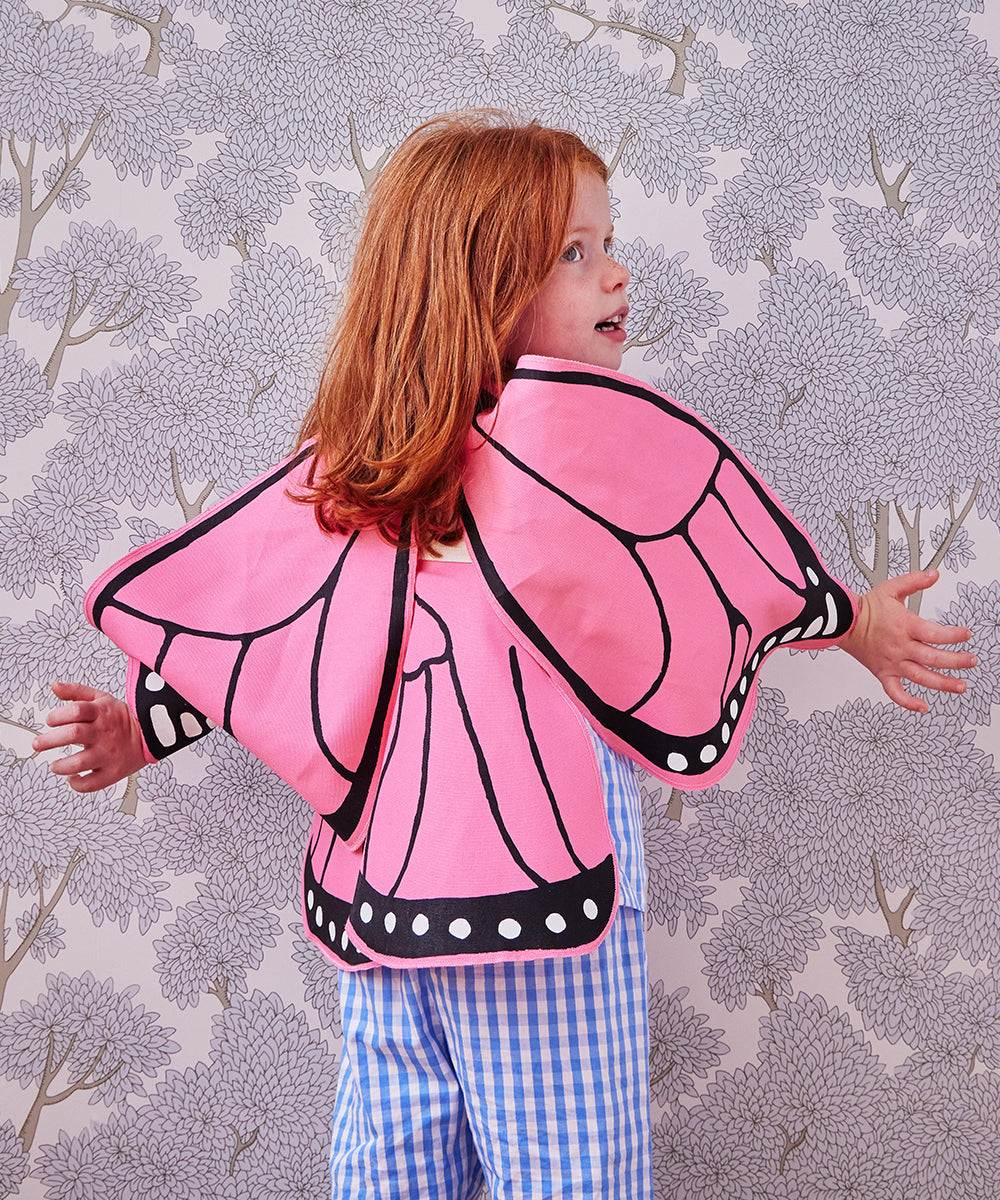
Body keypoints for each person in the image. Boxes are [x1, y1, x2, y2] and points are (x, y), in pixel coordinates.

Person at [33, 113, 975, 1199]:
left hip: (539, 904)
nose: (618, 270)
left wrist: (852, 624)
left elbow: (707, 569)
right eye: (575, 252)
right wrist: (143, 724)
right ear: (477, 285)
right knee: (393, 1175)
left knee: (566, 1179)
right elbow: (278, 620)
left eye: (604, 242)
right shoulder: (366, 467)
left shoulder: (584, 453)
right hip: (388, 915)